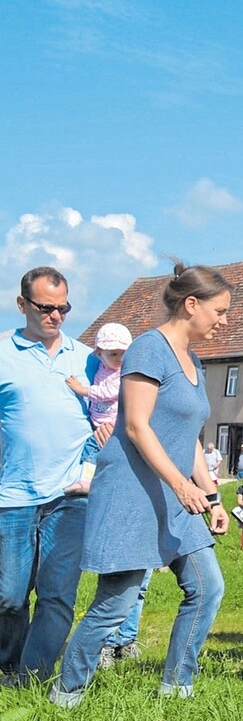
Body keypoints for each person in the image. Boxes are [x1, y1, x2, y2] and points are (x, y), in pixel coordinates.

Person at [50, 263, 233, 706]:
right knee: (115, 603)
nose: (224, 320)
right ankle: (66, 692)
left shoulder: (193, 359)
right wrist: (181, 487)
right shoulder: (149, 350)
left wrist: (211, 496)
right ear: (191, 305)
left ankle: (176, 687)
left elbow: (187, 438)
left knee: (208, 588)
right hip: (134, 490)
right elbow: (136, 427)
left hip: (177, 494)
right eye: (220, 311)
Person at [0, 267, 99, 683]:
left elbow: (109, 414)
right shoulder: (3, 352)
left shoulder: (89, 358)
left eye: (64, 308)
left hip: (71, 493)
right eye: (46, 308)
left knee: (57, 595)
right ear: (22, 304)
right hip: (13, 493)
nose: (56, 316)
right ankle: (7, 664)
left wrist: (94, 458)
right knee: (9, 596)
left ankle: (32, 677)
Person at [63, 322, 133, 494]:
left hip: (112, 423)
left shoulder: (122, 373)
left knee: (92, 449)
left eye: (123, 354)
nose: (119, 359)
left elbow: (109, 392)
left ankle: (87, 480)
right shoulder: (101, 367)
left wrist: (82, 390)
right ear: (99, 354)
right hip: (98, 422)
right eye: (113, 354)